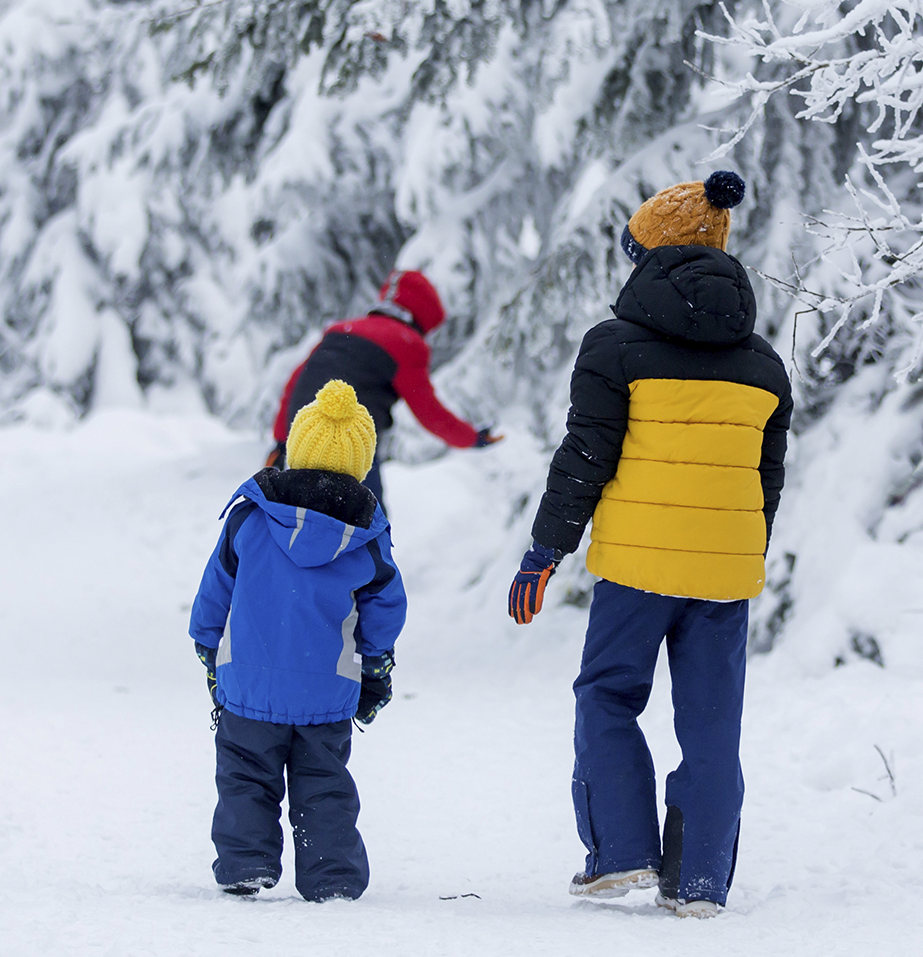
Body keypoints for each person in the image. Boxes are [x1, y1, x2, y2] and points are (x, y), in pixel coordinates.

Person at [507, 171, 791, 919]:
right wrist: (738, 549)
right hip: (725, 574)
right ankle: (698, 882)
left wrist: (545, 551)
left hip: (637, 567)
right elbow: (766, 483)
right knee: (712, 722)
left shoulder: (615, 346)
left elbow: (586, 455)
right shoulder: (764, 364)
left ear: (649, 256)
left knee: (607, 695)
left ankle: (622, 854)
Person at [190, 379, 407, 901]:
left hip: (249, 686)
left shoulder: (250, 517)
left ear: (296, 447)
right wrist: (376, 668)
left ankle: (246, 862)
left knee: (245, 776)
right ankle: (331, 876)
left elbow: (216, 587)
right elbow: (385, 609)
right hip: (326, 692)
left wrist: (206, 644)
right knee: (324, 785)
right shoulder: (366, 537)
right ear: (361, 462)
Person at [268, 269, 501, 502]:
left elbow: (295, 384)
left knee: (300, 514)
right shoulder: (406, 343)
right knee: (368, 522)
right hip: (349, 441)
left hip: (303, 434)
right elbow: (429, 412)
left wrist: (281, 442)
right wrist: (471, 438)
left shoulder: (340, 330)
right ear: (422, 318)